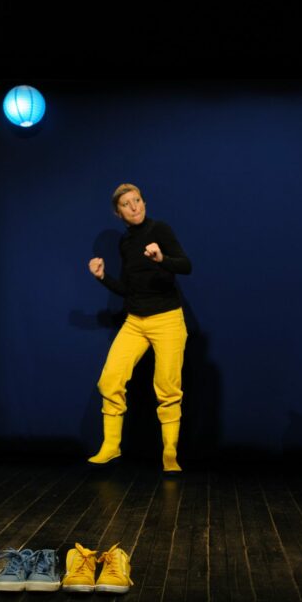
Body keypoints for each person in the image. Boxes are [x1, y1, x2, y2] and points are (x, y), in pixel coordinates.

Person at [87, 183, 191, 472]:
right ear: (118, 213)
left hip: (167, 319)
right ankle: (111, 446)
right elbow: (128, 289)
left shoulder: (160, 230)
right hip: (135, 321)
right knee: (110, 380)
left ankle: (170, 453)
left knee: (167, 388)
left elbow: (186, 265)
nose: (134, 207)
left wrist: (162, 259)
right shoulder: (125, 243)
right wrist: (103, 278)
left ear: (144, 202)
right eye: (126, 204)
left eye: (137, 200)